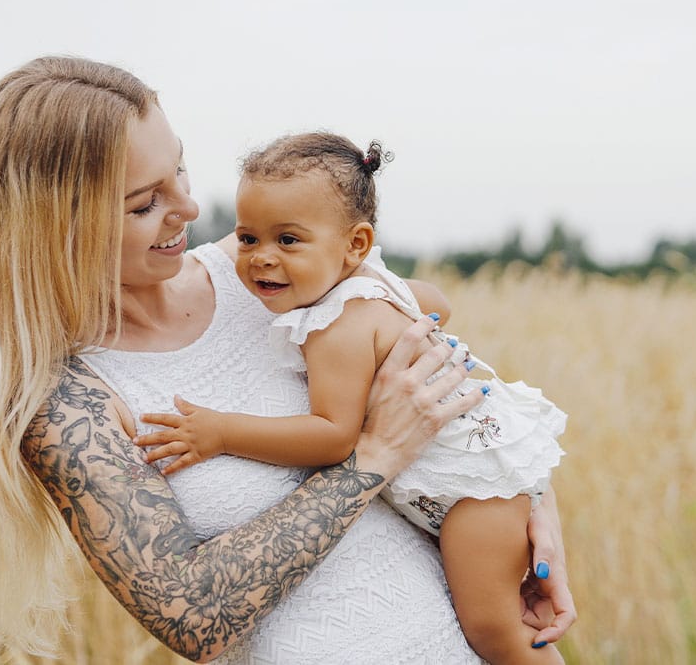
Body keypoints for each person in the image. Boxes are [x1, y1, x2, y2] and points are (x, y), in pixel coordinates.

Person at [0, 56, 576, 664]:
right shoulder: (66, 401)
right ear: (55, 227)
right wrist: (373, 458)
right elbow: (190, 615)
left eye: (178, 171)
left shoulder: (270, 270)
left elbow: (445, 378)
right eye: (144, 203)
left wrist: (527, 509)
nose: (187, 207)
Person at [131, 132, 568, 664]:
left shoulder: (335, 327)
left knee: (496, 627)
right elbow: (439, 304)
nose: (261, 259)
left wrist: (222, 432)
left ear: (355, 243)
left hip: (475, 491)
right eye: (247, 239)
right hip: (484, 474)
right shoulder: (367, 282)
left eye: (288, 241)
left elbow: (334, 436)